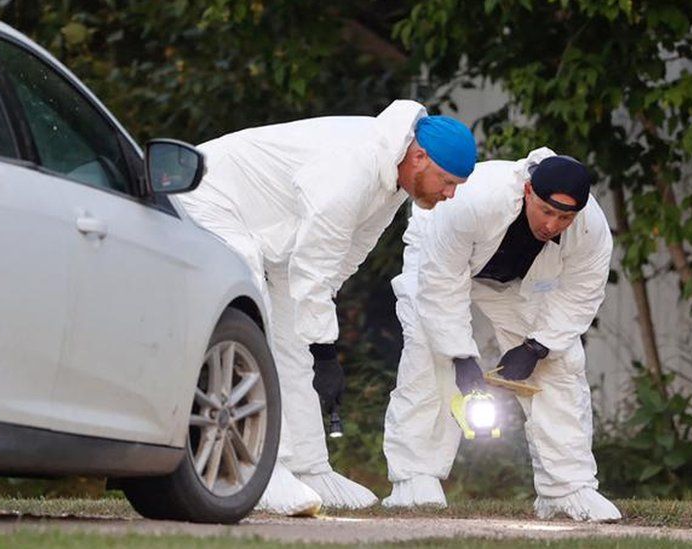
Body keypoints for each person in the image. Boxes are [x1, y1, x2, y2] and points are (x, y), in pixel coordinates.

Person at [176, 100, 477, 515]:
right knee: (253, 315)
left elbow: (343, 258)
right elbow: (316, 262)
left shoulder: (393, 179)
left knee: (294, 337)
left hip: (273, 230)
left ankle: (309, 467)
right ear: (419, 157)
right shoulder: (354, 168)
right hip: (207, 194)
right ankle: (263, 468)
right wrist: (325, 351)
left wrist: (317, 340)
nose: (450, 194)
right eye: (447, 182)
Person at [381, 148, 622, 522]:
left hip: (513, 281)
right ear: (528, 191)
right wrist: (462, 357)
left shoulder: (591, 229)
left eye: (565, 217)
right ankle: (415, 480)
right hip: (440, 261)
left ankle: (566, 489)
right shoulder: (474, 201)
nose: (553, 225)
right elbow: (442, 285)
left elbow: (581, 293)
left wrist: (537, 346)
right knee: (429, 356)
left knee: (561, 364)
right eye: (546, 211)